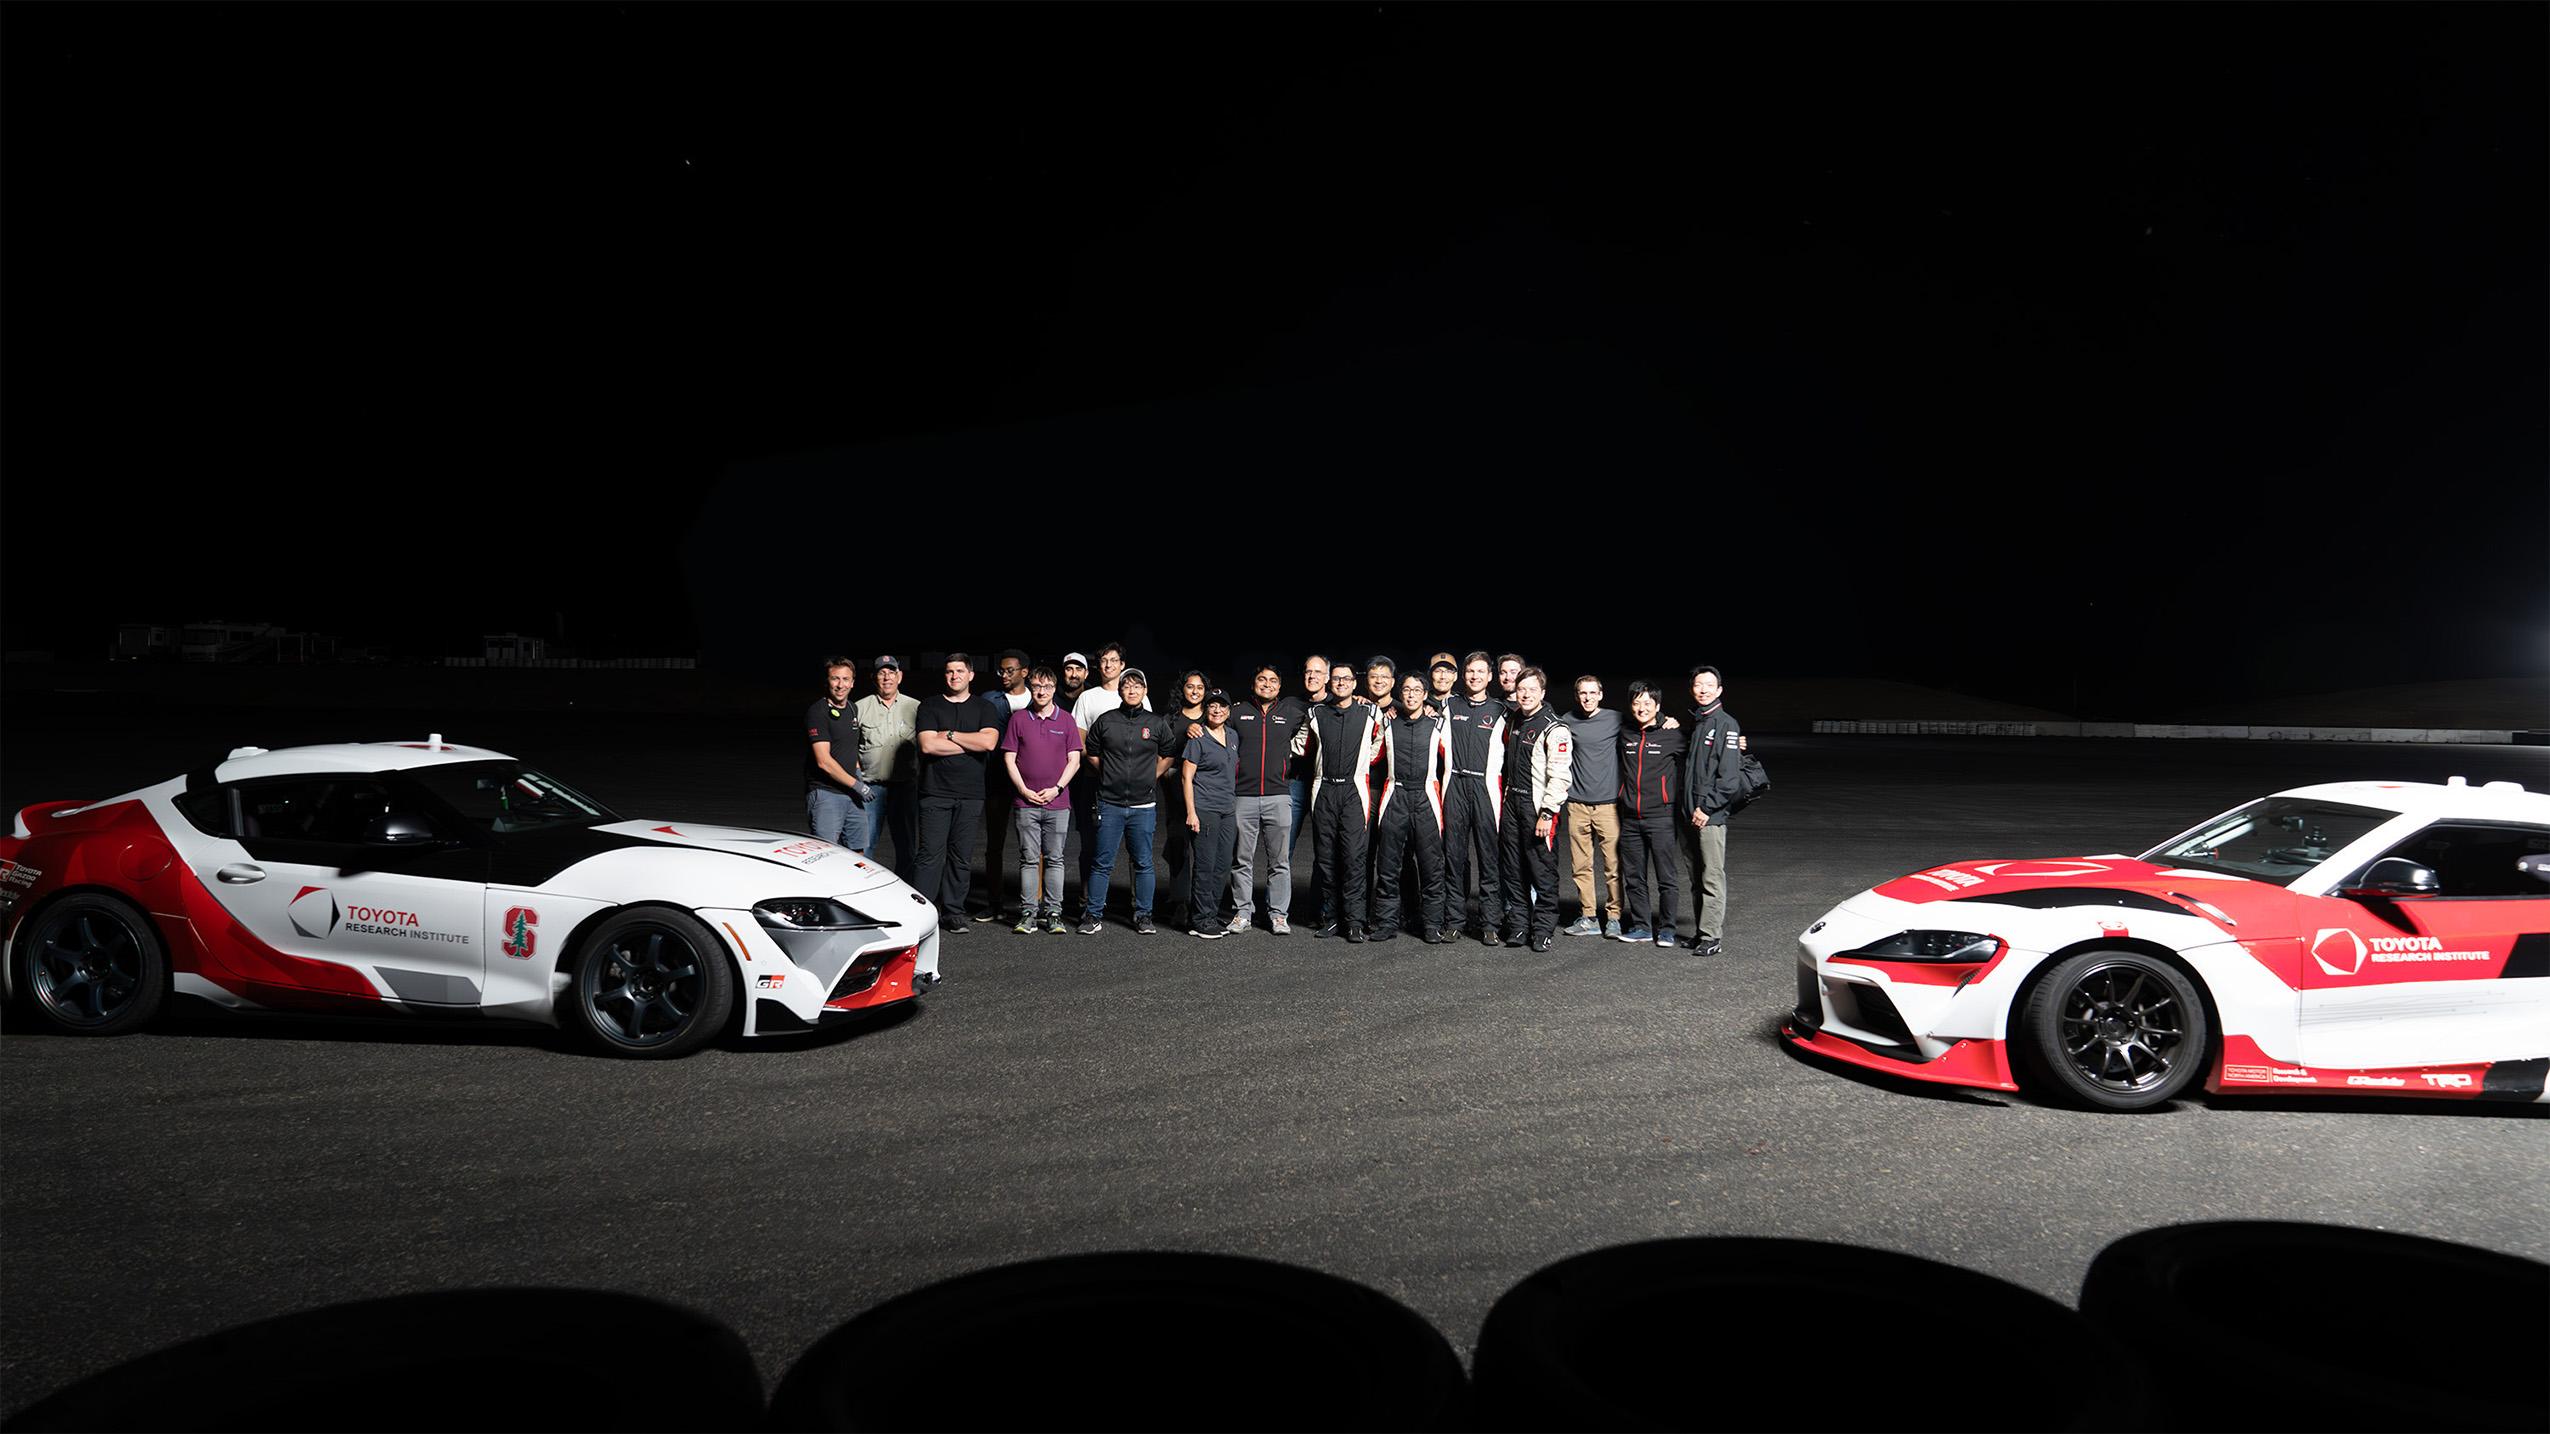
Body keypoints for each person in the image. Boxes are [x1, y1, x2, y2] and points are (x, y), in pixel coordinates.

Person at [913, 653, 1006, 986]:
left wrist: (949, 736)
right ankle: (924, 913)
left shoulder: (984, 708)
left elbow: (989, 742)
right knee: (929, 855)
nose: (953, 676)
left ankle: (953, 911)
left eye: (959, 671)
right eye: (949, 671)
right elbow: (927, 746)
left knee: (960, 856)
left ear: (970, 675)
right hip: (935, 792)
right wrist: (968, 741)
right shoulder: (930, 706)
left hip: (970, 793)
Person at [1079, 668, 1181, 935]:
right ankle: (1093, 915)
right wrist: (1107, 774)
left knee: (1143, 862)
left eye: (1138, 686)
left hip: (1142, 805)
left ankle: (1144, 916)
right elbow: (1091, 751)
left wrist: (1152, 776)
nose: (1132, 690)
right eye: (1127, 686)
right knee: (1102, 862)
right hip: (1109, 803)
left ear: (1145, 691)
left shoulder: (1156, 723)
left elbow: (1169, 753)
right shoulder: (1105, 720)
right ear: (1120, 691)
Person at [1291, 659, 1383, 940]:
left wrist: (1362, 763)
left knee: (1355, 858)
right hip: (1324, 789)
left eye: (1346, 678)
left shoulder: (1371, 712)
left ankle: (1354, 920)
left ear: (1355, 683)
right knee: (1326, 858)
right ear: (1330, 684)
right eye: (1336, 679)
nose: (1341, 683)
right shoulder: (1317, 713)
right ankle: (1329, 918)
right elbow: (1301, 746)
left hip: (1355, 791)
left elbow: (1381, 743)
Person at [1370, 673, 1451, 943]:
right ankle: (1386, 923)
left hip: (1426, 796)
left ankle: (1432, 925)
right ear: (1400, 693)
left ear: (1425, 695)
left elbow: (1454, 760)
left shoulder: (1438, 724)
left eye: (1417, 690)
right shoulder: (1388, 722)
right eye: (1407, 690)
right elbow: (1369, 756)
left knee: (1431, 866)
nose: (1411, 695)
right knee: (1388, 865)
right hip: (1395, 794)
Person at [1496, 667, 1572, 952]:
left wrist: (1547, 813)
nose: (1525, 694)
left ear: (1542, 693)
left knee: (1542, 871)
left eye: (1531, 689)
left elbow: (1561, 776)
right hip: (1512, 805)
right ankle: (1518, 926)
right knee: (1513, 870)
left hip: (1538, 808)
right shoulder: (1514, 719)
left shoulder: (1555, 727)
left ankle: (1542, 929)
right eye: (1521, 689)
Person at [1001, 665, 1082, 934]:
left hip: (1057, 802)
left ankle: (1054, 912)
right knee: (1028, 858)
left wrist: (1057, 788)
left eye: (1047, 687)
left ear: (1054, 689)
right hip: (1026, 802)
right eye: (1036, 686)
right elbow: (1009, 758)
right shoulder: (1019, 719)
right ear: (1031, 687)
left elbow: (1075, 760)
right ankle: (1028, 913)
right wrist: (1023, 790)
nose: (1041, 692)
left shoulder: (1066, 720)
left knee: (1056, 858)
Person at [1225, 662, 1305, 935]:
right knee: (1241, 859)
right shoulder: (1237, 712)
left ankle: (1278, 914)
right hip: (1243, 796)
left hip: (1279, 796)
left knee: (1279, 861)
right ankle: (1242, 912)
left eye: (1273, 681)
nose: (1267, 684)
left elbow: (1324, 706)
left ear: (1280, 687)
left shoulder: (1293, 713)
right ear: (1253, 684)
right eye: (1262, 679)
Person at [1440, 651, 1508, 945]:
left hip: (1486, 788)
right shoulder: (1447, 706)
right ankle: (1455, 920)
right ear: (1463, 675)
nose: (1475, 676)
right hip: (1455, 784)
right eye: (1470, 671)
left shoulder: (1502, 711)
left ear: (1490, 676)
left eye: (1481, 671)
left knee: (1489, 859)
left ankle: (1490, 923)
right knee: (1454, 858)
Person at [1615, 682, 1686, 946]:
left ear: (1657, 706)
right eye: (1637, 703)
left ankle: (1667, 928)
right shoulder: (1626, 734)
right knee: (1634, 877)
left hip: (1662, 817)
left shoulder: (1673, 735)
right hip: (1631, 817)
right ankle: (1642, 926)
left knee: (1666, 877)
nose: (1642, 708)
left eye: (1648, 703)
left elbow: (1700, 753)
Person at [1680, 665, 1744, 956]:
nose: (1703, 689)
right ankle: (1701, 931)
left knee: (1711, 876)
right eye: (1698, 685)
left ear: (1719, 690)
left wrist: (1707, 808)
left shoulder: (1726, 724)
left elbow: (1729, 779)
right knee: (1696, 876)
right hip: (1688, 814)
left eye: (1708, 685)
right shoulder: (1697, 722)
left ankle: (1712, 937)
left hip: (1709, 815)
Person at [1562, 675, 1624, 939]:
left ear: (1600, 694)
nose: (1587, 698)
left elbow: (1648, 721)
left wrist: (1668, 720)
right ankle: (1589, 916)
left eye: (1592, 693)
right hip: (1577, 804)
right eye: (1582, 693)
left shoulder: (1616, 719)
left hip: (1608, 806)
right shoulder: (1567, 720)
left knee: (1613, 865)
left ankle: (1614, 918)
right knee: (1581, 866)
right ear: (1577, 696)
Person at [975, 648, 1035, 923]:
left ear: (1024, 672)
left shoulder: (1039, 696)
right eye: (1001, 670)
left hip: (1032, 777)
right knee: (995, 843)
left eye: (1010, 670)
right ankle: (994, 902)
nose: (1004, 675)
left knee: (1034, 846)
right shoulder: (989, 700)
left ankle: (1036, 904)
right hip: (997, 778)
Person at [1180, 689, 1240, 939]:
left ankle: (1211, 914)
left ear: (1228, 711)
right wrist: (1191, 813)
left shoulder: (1233, 735)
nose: (1217, 710)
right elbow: (1186, 776)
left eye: (1222, 706)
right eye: (1212, 706)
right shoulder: (1198, 737)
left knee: (1222, 865)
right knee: (1205, 865)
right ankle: (1199, 920)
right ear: (1206, 709)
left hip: (1227, 810)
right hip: (1205, 809)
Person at [854, 654, 922, 877]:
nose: (887, 678)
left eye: (891, 673)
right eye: (882, 673)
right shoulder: (859, 708)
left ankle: (906, 891)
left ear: (899, 676)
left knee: (907, 846)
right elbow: (849, 748)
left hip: (904, 787)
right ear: (874, 678)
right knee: (865, 845)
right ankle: (865, 892)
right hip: (871, 789)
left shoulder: (916, 707)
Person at [1070, 642, 1129, 897]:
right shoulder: (1088, 697)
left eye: (1114, 660)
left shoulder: (1135, 693)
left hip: (1129, 784)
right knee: (1090, 843)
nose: (1108, 665)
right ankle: (1088, 901)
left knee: (1135, 846)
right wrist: (1102, 766)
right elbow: (1078, 741)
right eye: (1104, 661)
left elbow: (1148, 738)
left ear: (1122, 665)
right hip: (1094, 779)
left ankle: (1138, 908)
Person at [1155, 670, 1211, 931]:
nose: (1195, 691)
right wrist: (1167, 774)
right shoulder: (1171, 719)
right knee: (1179, 843)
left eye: (1200, 687)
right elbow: (1160, 754)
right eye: (1190, 687)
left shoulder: (1213, 714)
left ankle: (1203, 900)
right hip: (1177, 785)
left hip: (1207, 785)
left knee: (1204, 844)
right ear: (1183, 690)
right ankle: (1180, 902)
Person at [804, 656, 874, 854]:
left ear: (852, 682)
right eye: (835, 679)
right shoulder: (818, 712)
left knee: (858, 853)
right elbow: (824, 761)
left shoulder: (853, 708)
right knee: (826, 854)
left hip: (852, 795)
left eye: (845, 679)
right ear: (827, 681)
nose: (840, 685)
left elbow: (850, 748)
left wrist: (858, 774)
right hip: (826, 794)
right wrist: (858, 785)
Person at [1288, 653, 1331, 917]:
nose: (1312, 676)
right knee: (1283, 849)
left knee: (1324, 849)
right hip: (1294, 783)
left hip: (1323, 783)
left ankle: (1321, 911)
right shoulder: (1290, 704)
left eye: (1317, 672)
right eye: (1307, 672)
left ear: (1328, 676)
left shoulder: (1338, 704)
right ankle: (1276, 909)